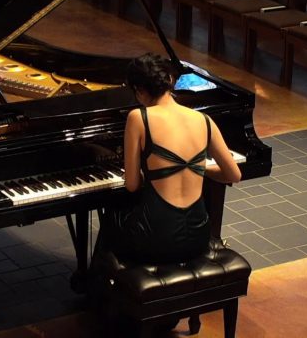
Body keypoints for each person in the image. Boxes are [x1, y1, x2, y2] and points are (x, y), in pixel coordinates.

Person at [99, 53, 241, 264]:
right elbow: (234, 175)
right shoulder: (204, 119)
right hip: (198, 237)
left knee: (110, 215)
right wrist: (198, 168)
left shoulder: (138, 118)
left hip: (157, 238)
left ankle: (104, 289)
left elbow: (132, 185)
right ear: (171, 82)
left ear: (139, 91)